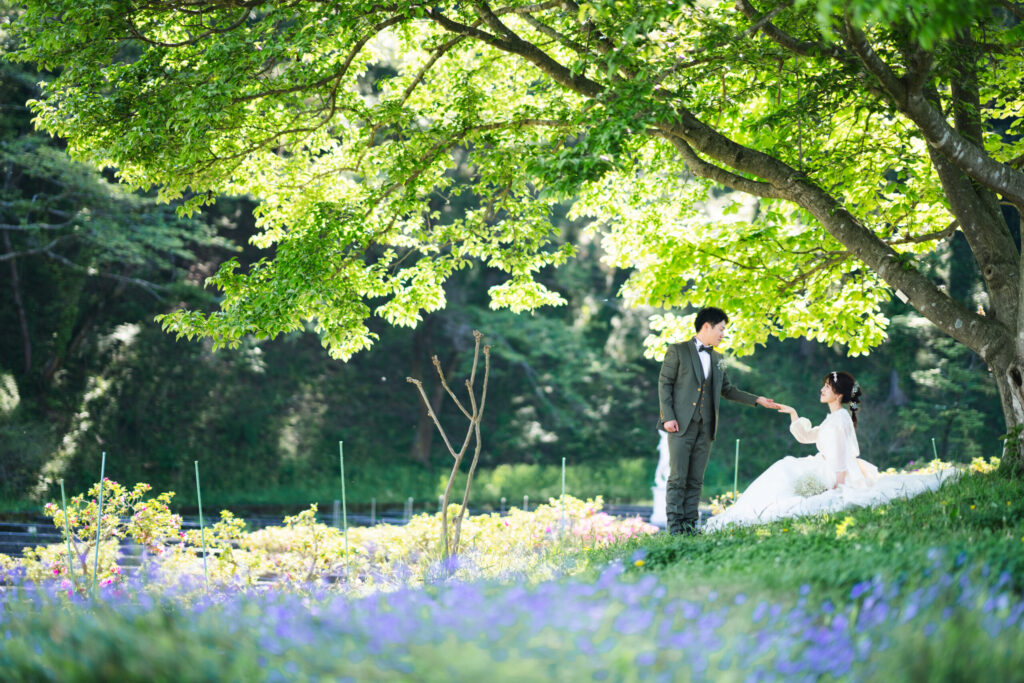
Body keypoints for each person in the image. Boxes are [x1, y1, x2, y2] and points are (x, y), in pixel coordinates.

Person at [703, 371, 958, 532]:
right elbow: (809, 436)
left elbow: (838, 458)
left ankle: (746, 513)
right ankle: (745, 511)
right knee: (783, 467)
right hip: (824, 465)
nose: (822, 390)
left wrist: (837, 488)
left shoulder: (839, 420)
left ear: (837, 393)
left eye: (826, 386)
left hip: (831, 471)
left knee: (784, 468)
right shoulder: (835, 418)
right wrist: (792, 413)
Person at [658, 307, 779, 535]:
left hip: (706, 427)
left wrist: (758, 400)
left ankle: (689, 528)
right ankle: (674, 530)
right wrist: (669, 417)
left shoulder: (719, 358)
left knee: (695, 480)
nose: (723, 334)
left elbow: (728, 389)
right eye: (721, 329)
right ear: (707, 326)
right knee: (677, 478)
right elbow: (664, 384)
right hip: (679, 425)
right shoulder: (677, 351)